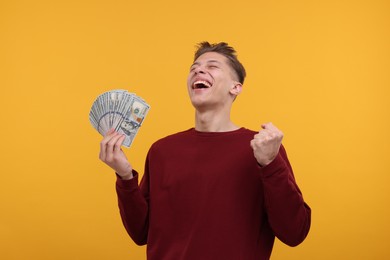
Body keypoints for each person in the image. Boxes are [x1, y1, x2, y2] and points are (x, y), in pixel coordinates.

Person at [99, 42, 311, 260]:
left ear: (235, 87)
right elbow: (140, 233)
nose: (198, 70)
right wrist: (125, 177)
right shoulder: (161, 151)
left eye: (212, 66)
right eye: (194, 68)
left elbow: (294, 232)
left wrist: (270, 164)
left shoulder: (263, 148)